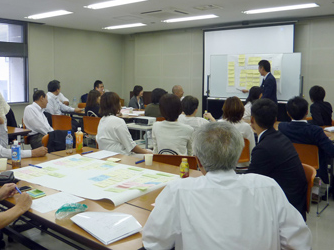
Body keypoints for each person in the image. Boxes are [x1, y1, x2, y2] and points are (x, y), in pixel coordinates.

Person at [142, 122, 312, 250]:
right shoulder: (268, 186)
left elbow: (153, 242)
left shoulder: (178, 190)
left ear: (198, 160)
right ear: (238, 157)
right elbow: (300, 242)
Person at [247, 99, 307, 220]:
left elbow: (249, 180)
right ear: (275, 120)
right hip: (296, 199)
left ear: (252, 120)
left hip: (286, 208)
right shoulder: (280, 138)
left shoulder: (263, 148)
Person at [279, 96, 334, 184]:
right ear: (307, 112)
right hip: (315, 172)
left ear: (288, 113)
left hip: (291, 169)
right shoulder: (316, 131)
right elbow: (331, 151)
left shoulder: (282, 127)